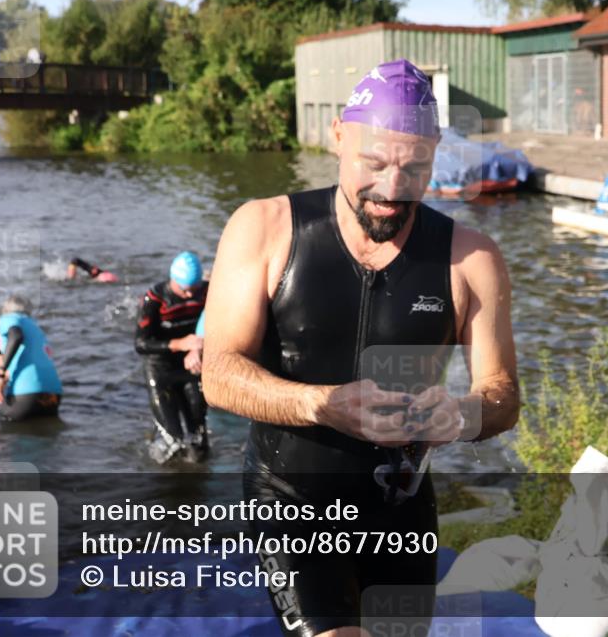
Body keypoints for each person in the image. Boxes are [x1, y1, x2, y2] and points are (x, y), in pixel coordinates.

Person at [201, 59, 519, 637]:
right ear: (339, 138)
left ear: (435, 151)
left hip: (401, 509)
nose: (392, 190)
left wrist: (460, 414)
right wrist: (323, 403)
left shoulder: (472, 259)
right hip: (288, 498)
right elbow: (219, 373)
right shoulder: (264, 228)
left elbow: (502, 397)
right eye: (373, 164)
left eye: (414, 168)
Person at [135, 251, 209, 463]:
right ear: (173, 280)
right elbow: (140, 344)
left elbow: (215, 324)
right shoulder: (155, 298)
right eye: (184, 291)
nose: (189, 296)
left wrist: (197, 349)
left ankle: (200, 489)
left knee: (199, 443)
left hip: (191, 367)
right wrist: (181, 344)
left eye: (194, 290)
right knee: (172, 442)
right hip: (160, 369)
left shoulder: (205, 292)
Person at [0, 295, 62, 421]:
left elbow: (16, 336)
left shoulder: (9, 318)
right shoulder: (35, 327)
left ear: (6, 309)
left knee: (2, 432)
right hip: (54, 392)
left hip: (28, 391)